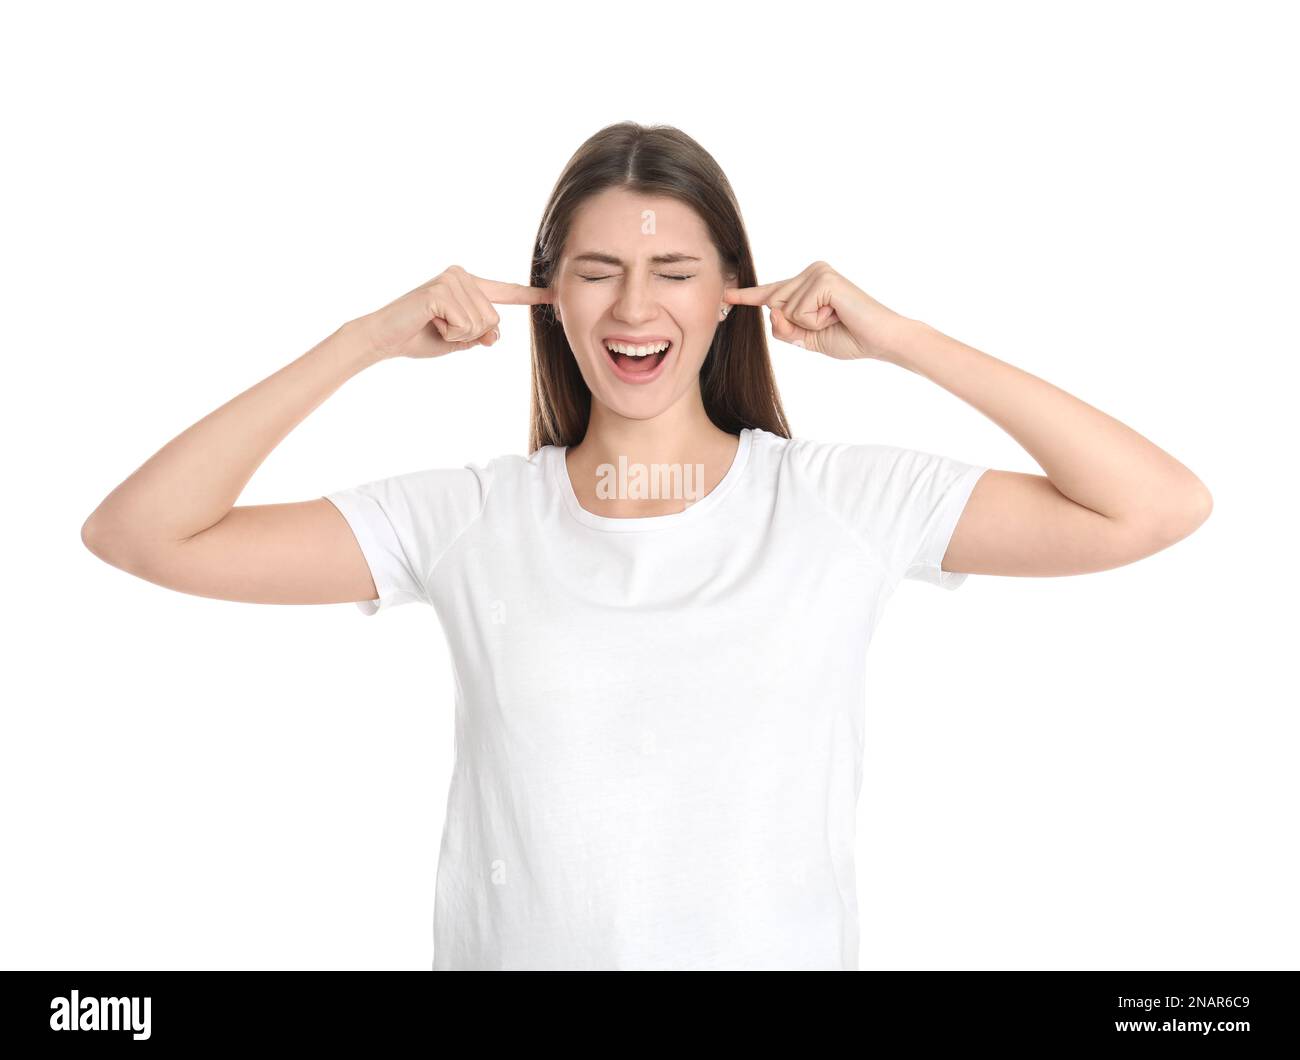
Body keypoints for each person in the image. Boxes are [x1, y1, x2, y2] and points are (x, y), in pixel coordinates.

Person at [81, 121, 1212, 971]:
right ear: (546, 298)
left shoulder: (840, 500)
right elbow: (140, 533)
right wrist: (365, 340)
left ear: (730, 294)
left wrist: (904, 340)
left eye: (674, 272)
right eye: (595, 270)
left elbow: (1152, 506)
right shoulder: (467, 519)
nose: (635, 307)